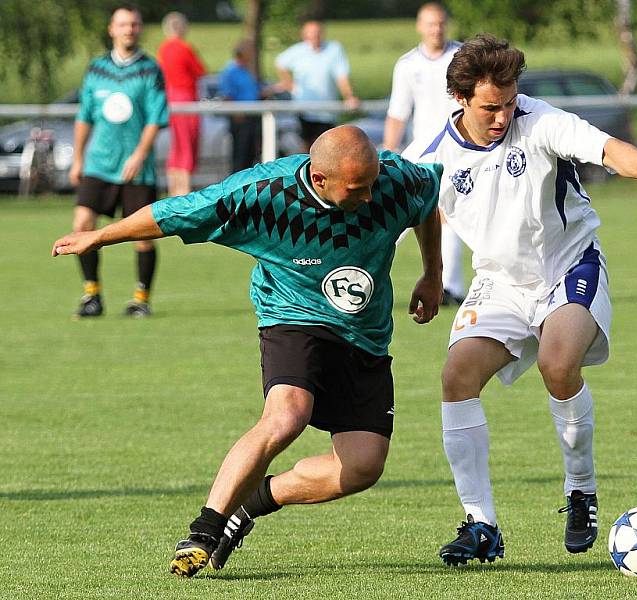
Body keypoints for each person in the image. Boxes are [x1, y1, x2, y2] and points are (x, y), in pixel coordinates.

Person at [52, 126, 444, 578]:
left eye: (373, 183)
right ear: (319, 179)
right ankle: (204, 529)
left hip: (365, 334)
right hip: (293, 316)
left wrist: (432, 273)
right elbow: (173, 212)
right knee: (286, 415)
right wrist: (100, 237)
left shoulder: (393, 178)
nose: (372, 196)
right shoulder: (261, 195)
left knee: (362, 467)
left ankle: (250, 506)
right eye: (358, 188)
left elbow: (426, 201)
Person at [402, 34, 637, 565]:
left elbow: (607, 148)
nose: (504, 115)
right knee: (456, 377)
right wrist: (432, 275)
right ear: (459, 99)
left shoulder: (541, 120)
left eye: (509, 102)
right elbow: (416, 209)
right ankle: (481, 523)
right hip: (499, 282)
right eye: (491, 107)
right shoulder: (430, 154)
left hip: (569, 264)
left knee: (558, 365)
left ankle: (581, 489)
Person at [67, 3, 168, 319]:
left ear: (140, 29)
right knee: (82, 224)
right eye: (123, 25)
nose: (129, 30)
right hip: (99, 164)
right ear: (112, 29)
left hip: (136, 168)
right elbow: (85, 116)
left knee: (142, 234)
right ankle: (92, 295)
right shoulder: (96, 69)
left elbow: (155, 118)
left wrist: (139, 154)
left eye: (134, 25)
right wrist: (78, 157)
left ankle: (141, 298)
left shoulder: (150, 70)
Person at [383, 2, 466, 306]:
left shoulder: (463, 58)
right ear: (420, 26)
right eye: (431, 24)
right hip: (423, 152)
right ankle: (369, 273)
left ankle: (452, 287)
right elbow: (397, 113)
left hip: (460, 150)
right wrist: (389, 153)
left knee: (451, 215)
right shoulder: (407, 65)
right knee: (402, 213)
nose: (436, 29)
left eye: (441, 23)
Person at [273, 20, 360, 152]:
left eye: (317, 33)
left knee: (328, 150)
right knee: (305, 150)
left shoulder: (334, 49)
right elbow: (280, 63)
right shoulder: (298, 50)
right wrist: (290, 84)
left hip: (327, 112)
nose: (314, 37)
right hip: (304, 110)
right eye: (311, 34)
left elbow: (342, 77)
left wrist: (349, 96)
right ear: (304, 35)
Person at [157, 11, 206, 197]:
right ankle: (183, 192)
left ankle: (173, 190)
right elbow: (200, 70)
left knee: (176, 146)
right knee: (187, 146)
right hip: (185, 99)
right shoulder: (184, 48)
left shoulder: (163, 49)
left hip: (170, 100)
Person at [219, 40, 263, 173]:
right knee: (240, 155)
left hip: (252, 116)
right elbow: (227, 95)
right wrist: (235, 114)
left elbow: (254, 91)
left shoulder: (247, 71)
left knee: (251, 154)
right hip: (240, 118)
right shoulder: (230, 71)